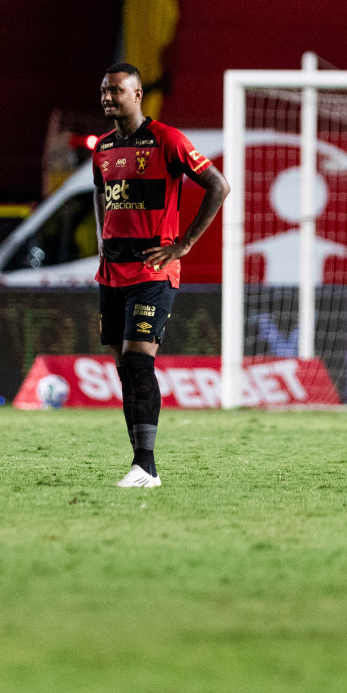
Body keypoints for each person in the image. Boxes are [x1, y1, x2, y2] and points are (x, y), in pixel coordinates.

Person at [93, 62, 229, 488]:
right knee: (125, 369)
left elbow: (218, 186)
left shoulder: (167, 139)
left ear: (137, 95)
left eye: (116, 90)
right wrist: (103, 238)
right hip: (111, 271)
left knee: (137, 361)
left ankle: (146, 466)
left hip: (153, 268)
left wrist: (183, 245)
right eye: (103, 90)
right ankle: (140, 464)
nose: (107, 97)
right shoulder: (102, 148)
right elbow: (100, 194)